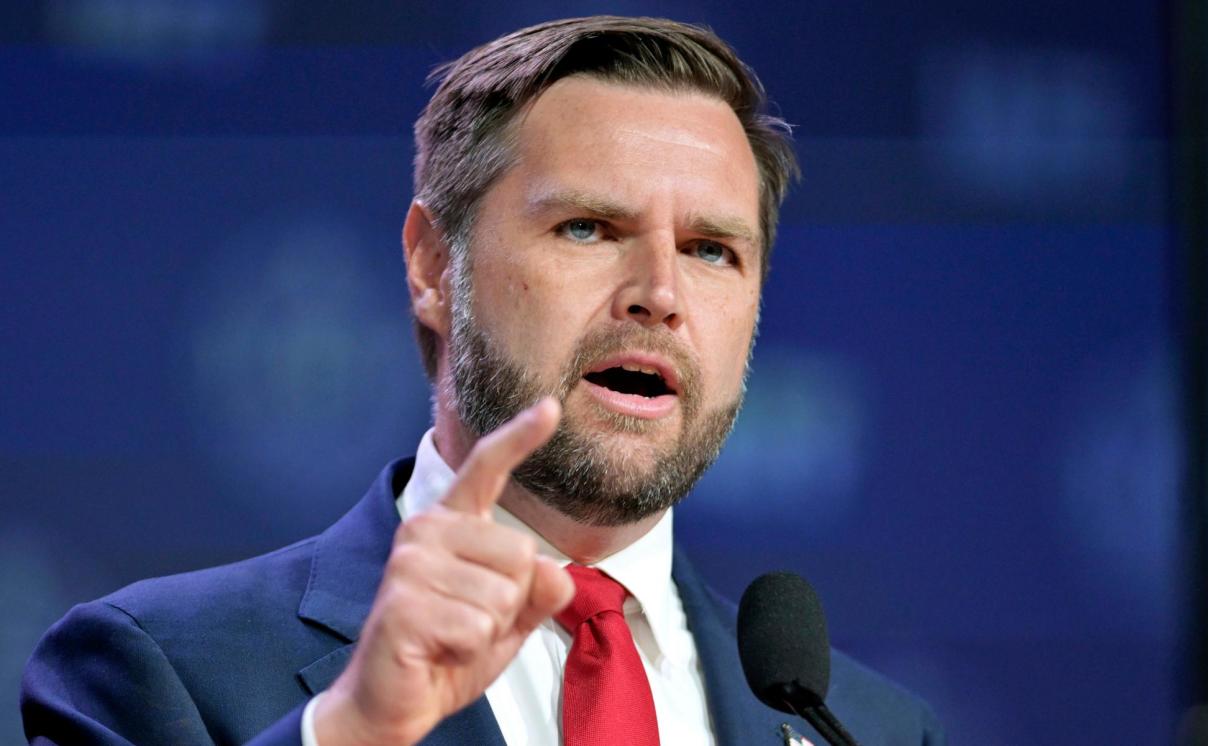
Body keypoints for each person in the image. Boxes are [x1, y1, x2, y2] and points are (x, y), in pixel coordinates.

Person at [22, 16, 944, 746]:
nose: (660, 294)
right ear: (432, 266)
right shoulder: (161, 669)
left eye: (710, 250)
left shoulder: (868, 729)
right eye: (587, 228)